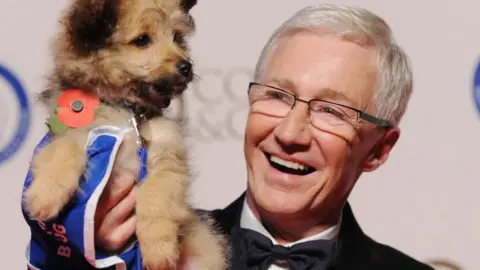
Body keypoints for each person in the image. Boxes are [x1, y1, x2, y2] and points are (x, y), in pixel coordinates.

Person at [24, 4, 434, 270]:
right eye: (277, 95)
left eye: (331, 110)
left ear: (378, 149)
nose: (290, 133)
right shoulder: (150, 246)